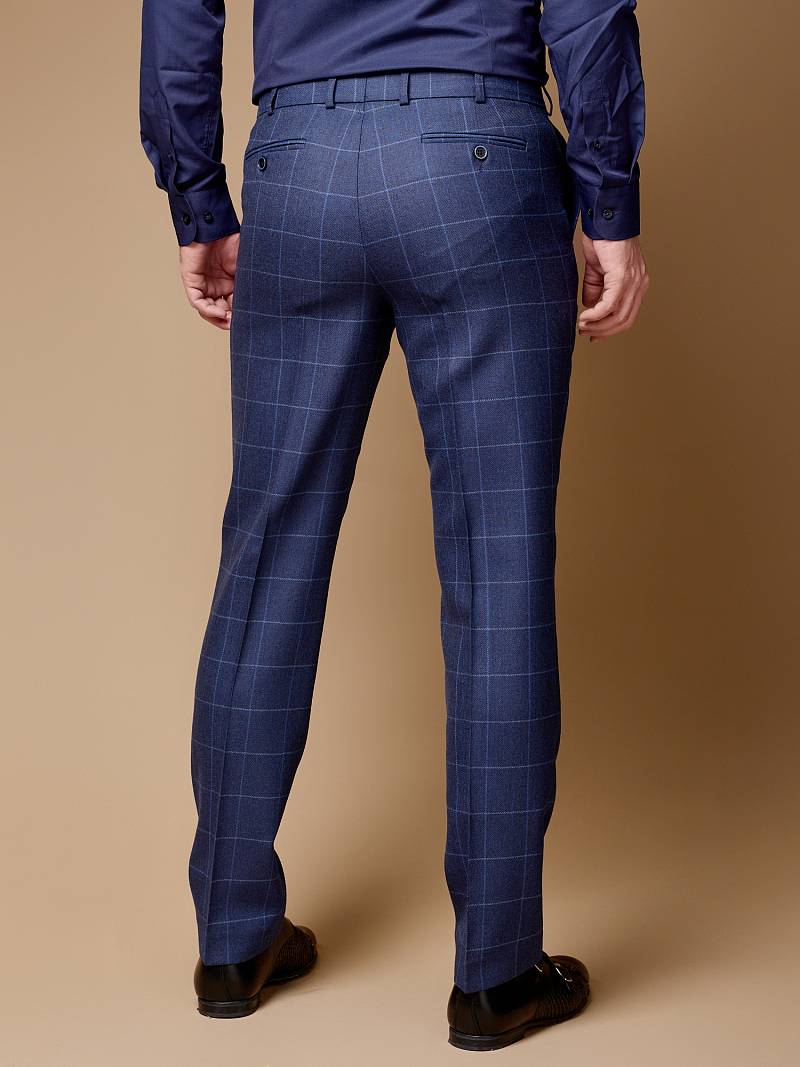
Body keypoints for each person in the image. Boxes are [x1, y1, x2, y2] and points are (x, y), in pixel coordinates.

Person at [139, 0, 648, 1049]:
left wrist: (197, 197)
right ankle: (497, 974)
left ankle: (232, 939)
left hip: (299, 161)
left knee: (266, 555)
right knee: (499, 568)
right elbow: (588, 8)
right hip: (478, 158)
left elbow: (178, 8)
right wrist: (608, 199)